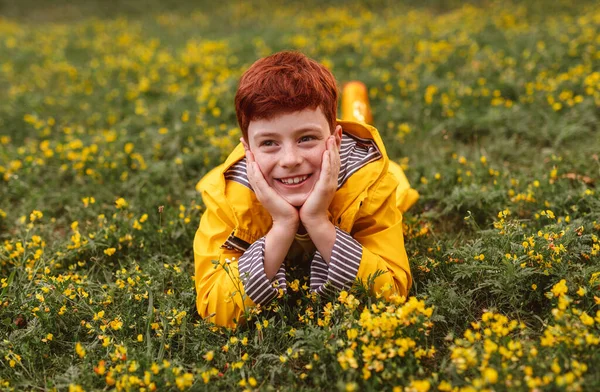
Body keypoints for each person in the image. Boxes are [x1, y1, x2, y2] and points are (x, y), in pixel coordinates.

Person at [193, 51, 418, 328]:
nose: (290, 160)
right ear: (247, 150)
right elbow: (214, 308)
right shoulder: (228, 198)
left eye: (307, 138)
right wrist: (283, 225)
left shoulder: (369, 182)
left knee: (395, 174)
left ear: (335, 140)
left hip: (351, 168)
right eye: (269, 143)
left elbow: (391, 291)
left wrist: (317, 221)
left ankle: (356, 103)